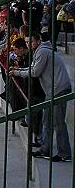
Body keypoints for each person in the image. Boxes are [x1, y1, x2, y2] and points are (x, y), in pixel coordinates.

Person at [10, 32, 72, 162]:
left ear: (38, 41)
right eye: (27, 42)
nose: (29, 44)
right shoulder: (40, 51)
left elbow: (35, 71)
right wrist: (18, 71)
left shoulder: (42, 51)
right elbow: (33, 68)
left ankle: (64, 153)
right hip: (53, 90)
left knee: (58, 122)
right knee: (47, 121)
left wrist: (17, 72)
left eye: (31, 41)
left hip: (58, 89)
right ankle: (45, 149)